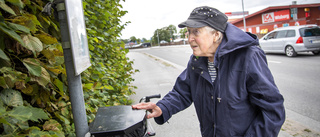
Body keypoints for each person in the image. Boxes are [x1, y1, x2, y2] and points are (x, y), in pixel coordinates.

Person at [132, 6, 285, 137]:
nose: (190, 38)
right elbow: (182, 92)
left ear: (216, 35)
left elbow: (273, 110)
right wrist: (162, 107)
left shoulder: (248, 56)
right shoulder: (197, 60)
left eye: (196, 32)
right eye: (188, 32)